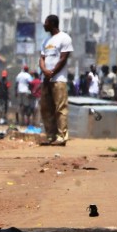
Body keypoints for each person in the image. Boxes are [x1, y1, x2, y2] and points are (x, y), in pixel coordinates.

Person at [39, 14, 73, 146]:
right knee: (45, 108)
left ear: (52, 23)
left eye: (46, 22)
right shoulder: (46, 41)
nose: (44, 25)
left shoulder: (64, 38)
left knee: (60, 108)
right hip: (46, 79)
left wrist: (52, 72)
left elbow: (63, 58)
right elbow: (42, 58)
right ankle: (51, 136)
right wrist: (44, 71)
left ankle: (62, 136)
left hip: (59, 79)